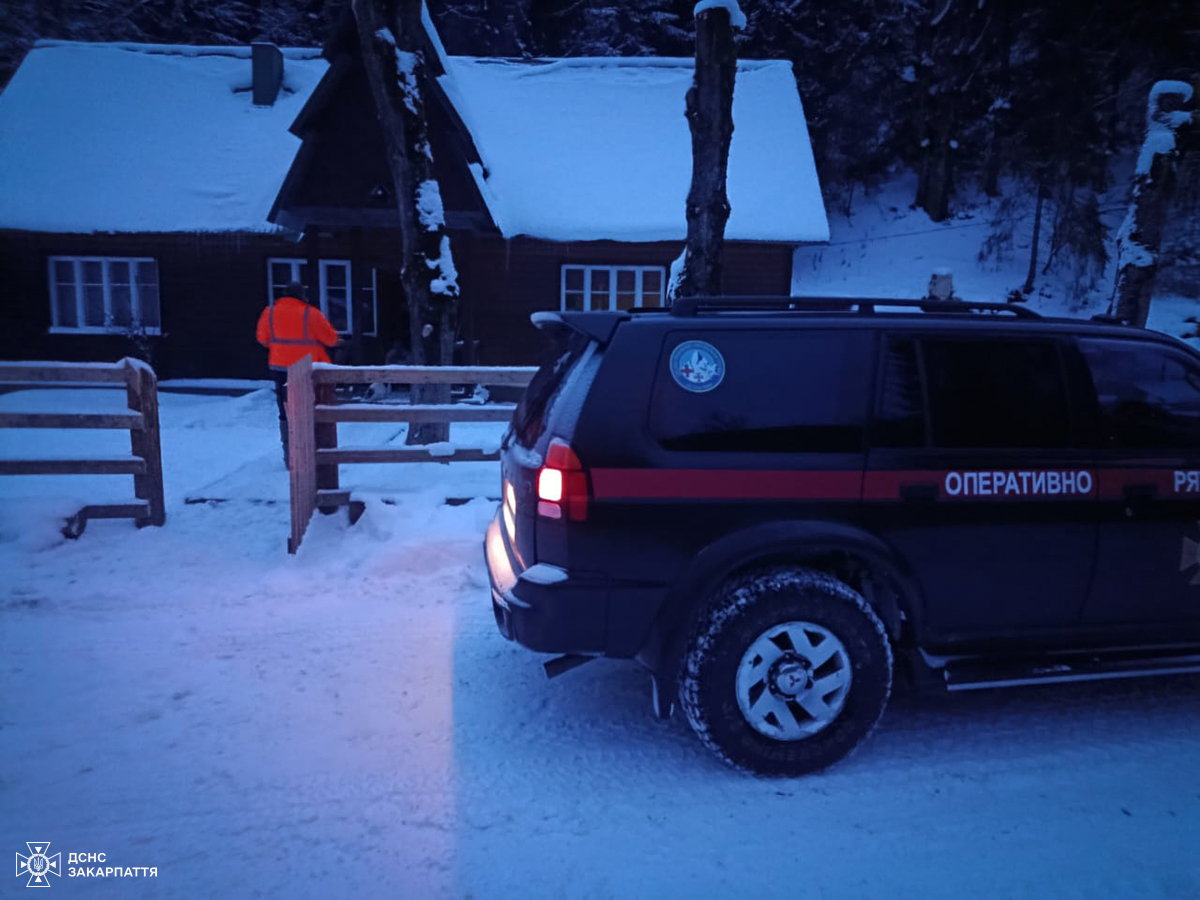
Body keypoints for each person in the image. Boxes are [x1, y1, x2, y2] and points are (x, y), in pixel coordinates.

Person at [256, 282, 338, 464]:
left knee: (286, 411)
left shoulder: (269, 313)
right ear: (302, 296)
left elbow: (262, 339)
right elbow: (331, 339)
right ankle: (311, 452)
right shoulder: (311, 314)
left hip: (279, 368)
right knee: (309, 409)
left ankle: (290, 456)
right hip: (307, 369)